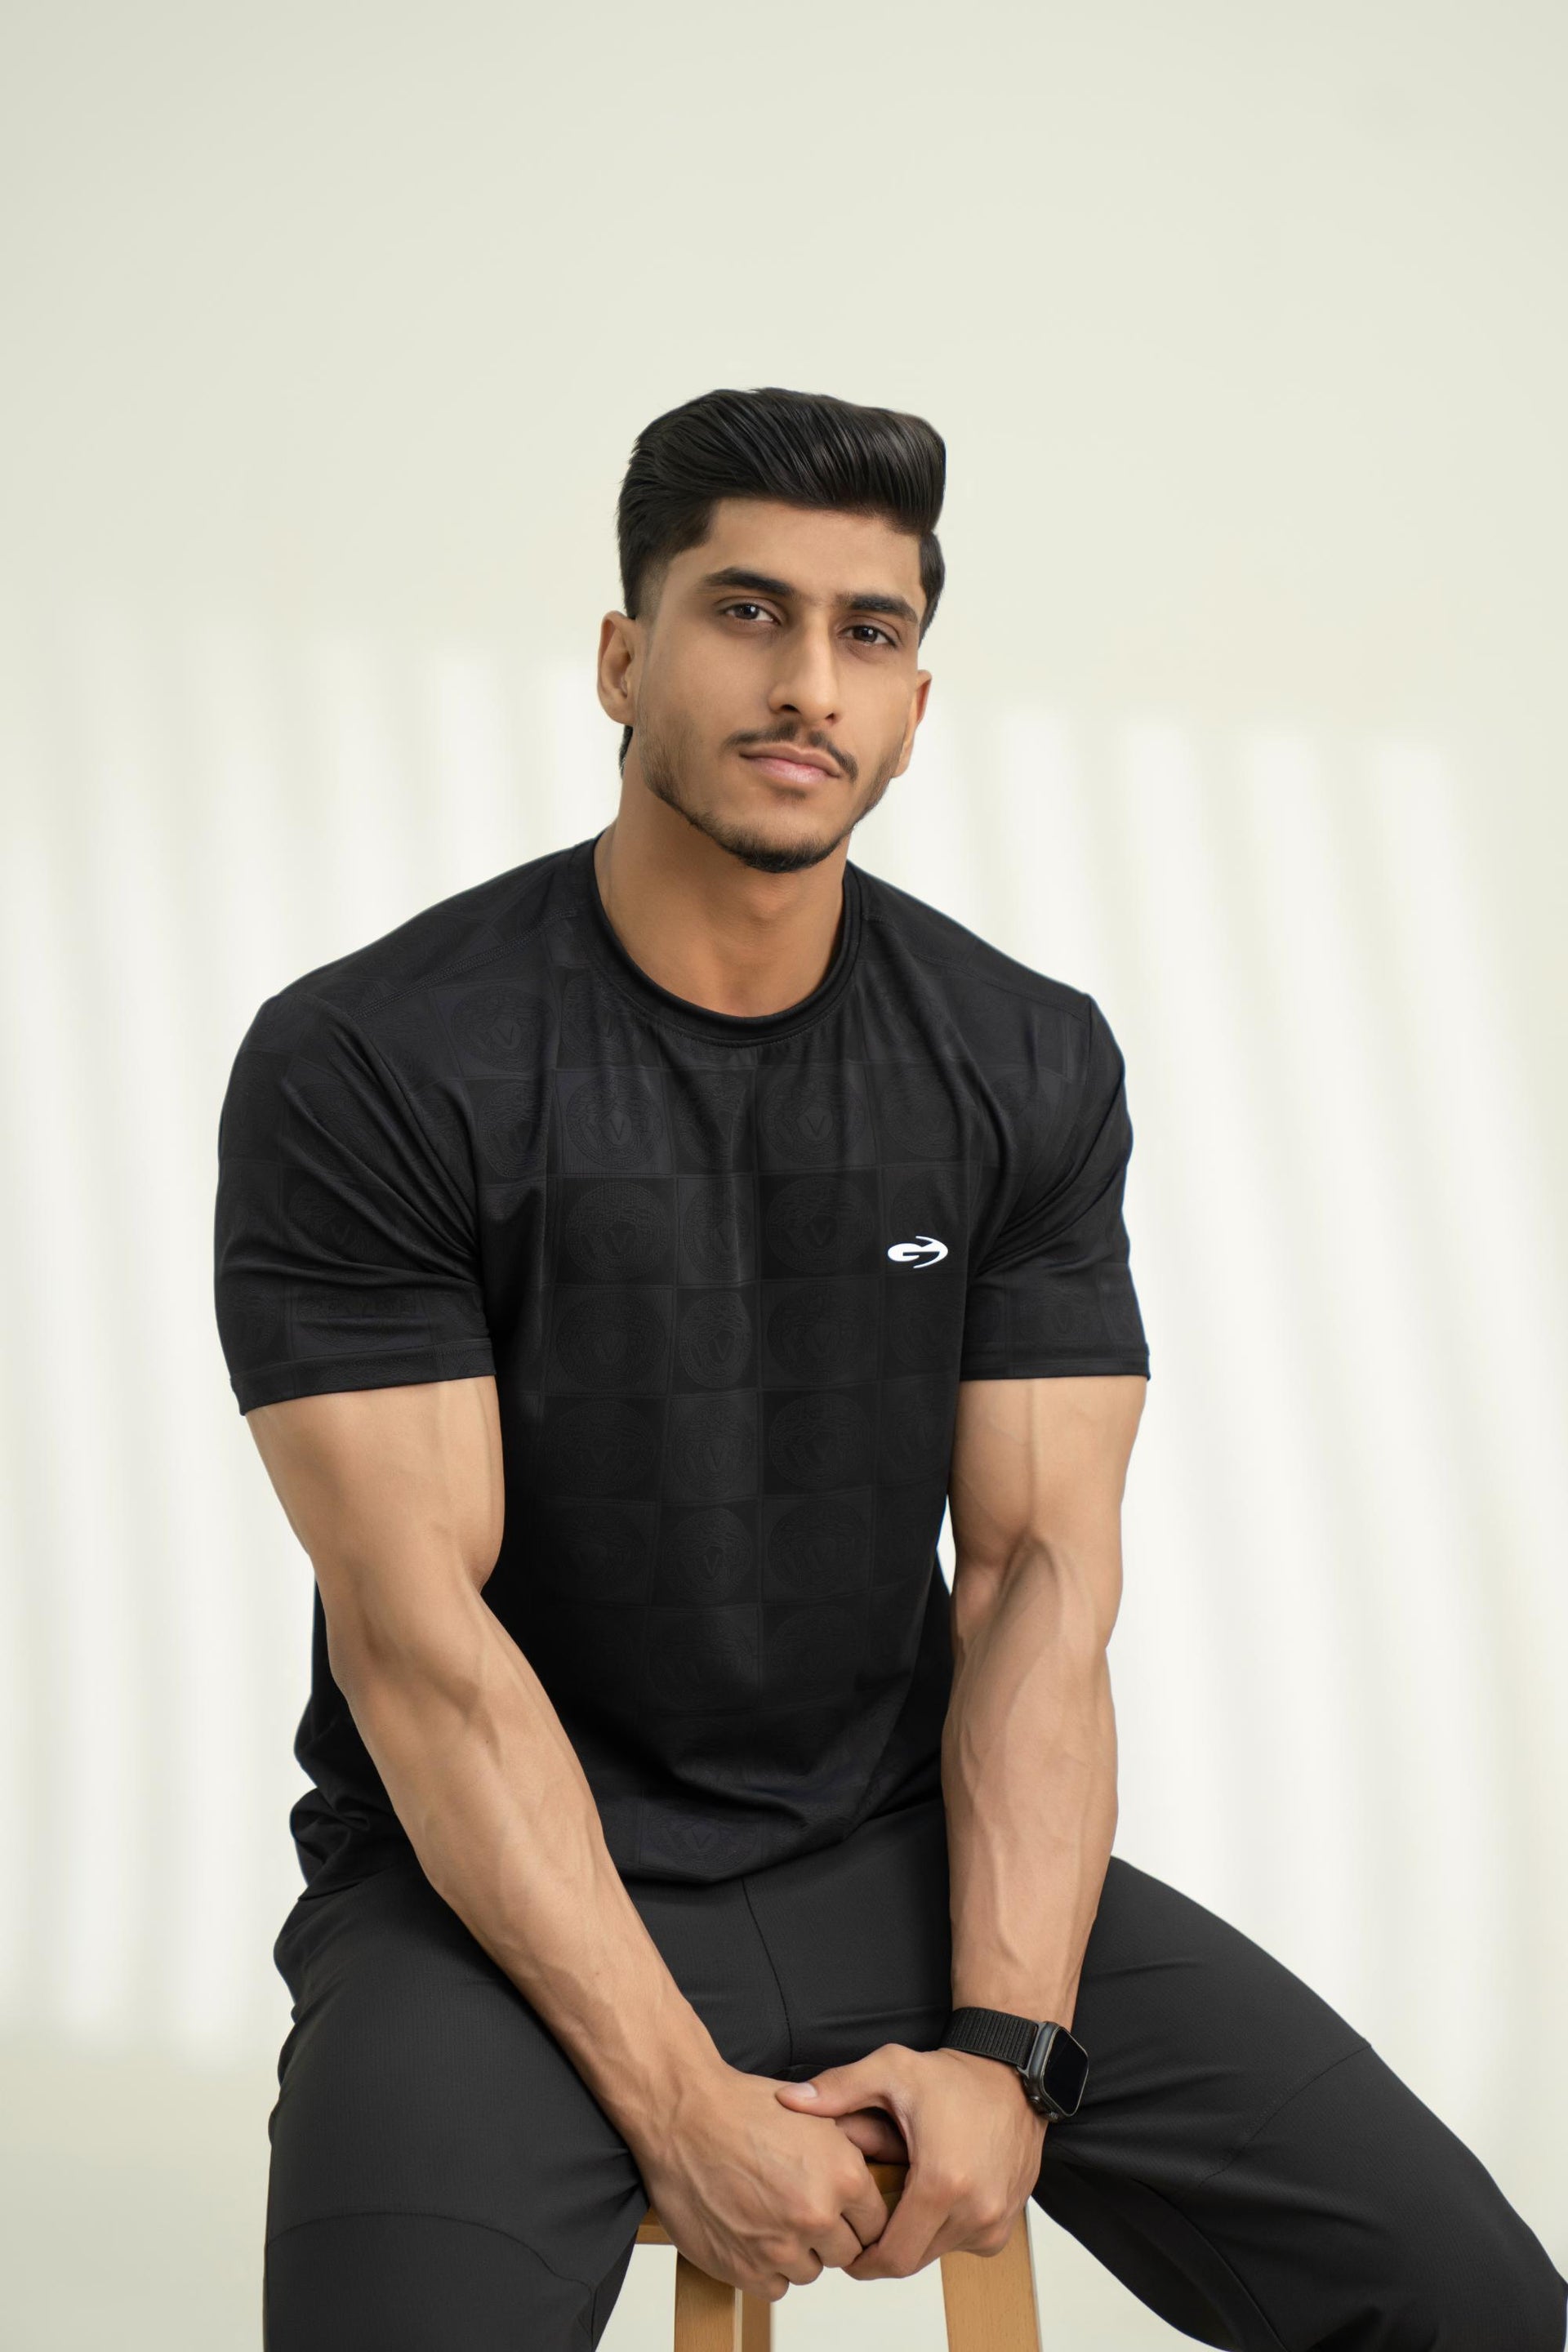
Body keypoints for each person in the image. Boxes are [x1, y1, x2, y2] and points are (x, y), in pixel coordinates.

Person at [213, 385, 1566, 2352]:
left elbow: (1035, 1583)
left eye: (869, 633)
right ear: (622, 659)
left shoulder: (1020, 1059)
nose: (809, 684)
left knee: (1481, 2310)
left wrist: (1011, 2049)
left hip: (893, 1854)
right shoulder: (383, 1062)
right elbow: (421, 1642)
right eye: (746, 612)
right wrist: (681, 2102)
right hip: (484, 1895)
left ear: (917, 703)